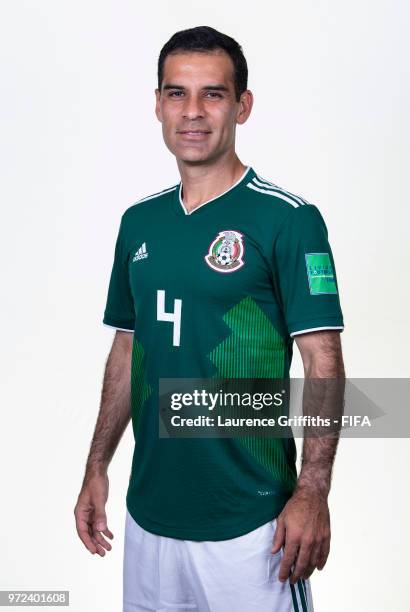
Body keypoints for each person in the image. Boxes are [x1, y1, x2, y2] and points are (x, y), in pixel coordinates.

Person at [74, 25, 345, 612]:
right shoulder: (138, 223)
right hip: (150, 519)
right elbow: (128, 348)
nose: (192, 112)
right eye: (176, 93)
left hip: (251, 523)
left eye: (213, 94)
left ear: (242, 106)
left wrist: (313, 493)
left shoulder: (288, 220)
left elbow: (322, 359)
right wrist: (97, 466)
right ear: (157, 105)